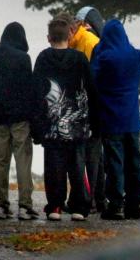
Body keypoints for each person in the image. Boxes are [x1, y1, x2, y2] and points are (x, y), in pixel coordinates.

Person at [32, 15, 98, 222]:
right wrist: (95, 121)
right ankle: (79, 207)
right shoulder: (80, 59)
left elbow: (36, 93)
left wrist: (37, 126)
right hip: (77, 124)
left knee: (54, 167)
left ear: (49, 37)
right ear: (69, 36)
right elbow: (91, 90)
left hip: (51, 123)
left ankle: (55, 207)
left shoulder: (43, 58)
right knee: (77, 166)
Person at [0, 22, 38, 220]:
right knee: (23, 160)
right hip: (20, 118)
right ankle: (24, 205)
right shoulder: (23, 58)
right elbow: (28, 88)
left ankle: (1, 205)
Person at [91, 19, 140, 221]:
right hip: (132, 118)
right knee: (134, 162)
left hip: (111, 117)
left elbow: (93, 77)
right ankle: (136, 204)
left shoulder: (104, 58)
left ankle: (115, 205)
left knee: (114, 162)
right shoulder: (136, 55)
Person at [69, 9, 105, 213]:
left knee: (91, 156)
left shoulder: (89, 43)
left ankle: (90, 199)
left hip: (91, 107)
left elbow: (92, 78)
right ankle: (97, 198)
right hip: (88, 106)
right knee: (94, 155)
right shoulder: (79, 42)